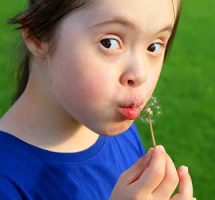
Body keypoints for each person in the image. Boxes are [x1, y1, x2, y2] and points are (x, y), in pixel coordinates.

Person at [0, 0, 194, 199]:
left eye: (154, 46)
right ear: (37, 36)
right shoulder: (6, 183)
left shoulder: (118, 130)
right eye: (109, 42)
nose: (140, 73)